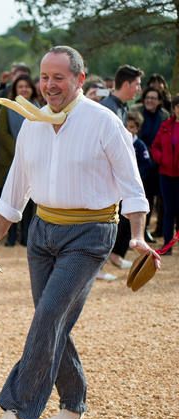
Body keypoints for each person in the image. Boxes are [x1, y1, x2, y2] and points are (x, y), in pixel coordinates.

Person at [0, 45, 158, 419]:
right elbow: (15, 190)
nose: (49, 85)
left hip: (91, 234)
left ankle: (16, 410)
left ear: (79, 77)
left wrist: (138, 236)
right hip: (41, 232)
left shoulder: (105, 122)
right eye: (44, 77)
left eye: (58, 77)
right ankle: (73, 403)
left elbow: (132, 184)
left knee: (49, 315)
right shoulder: (32, 123)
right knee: (53, 320)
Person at [101, 65, 144, 270]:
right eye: (137, 84)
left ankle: (116, 256)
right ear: (126, 84)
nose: (139, 89)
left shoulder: (122, 107)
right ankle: (99, 266)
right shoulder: (108, 108)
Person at [0, 74, 39, 247]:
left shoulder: (39, 108)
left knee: (29, 201)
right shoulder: (7, 107)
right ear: (15, 89)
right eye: (20, 87)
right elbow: (3, 133)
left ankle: (26, 236)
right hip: (10, 159)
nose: (24, 90)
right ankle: (11, 236)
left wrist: (30, 153)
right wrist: (21, 151)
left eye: (27, 87)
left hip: (33, 161)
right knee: (11, 197)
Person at [138, 87, 170, 240]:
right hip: (141, 163)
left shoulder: (164, 116)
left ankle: (154, 229)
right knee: (145, 198)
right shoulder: (137, 113)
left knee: (159, 199)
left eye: (153, 98)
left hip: (159, 164)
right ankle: (142, 230)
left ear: (159, 101)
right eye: (148, 97)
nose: (150, 100)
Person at [150, 95, 179, 254]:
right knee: (169, 210)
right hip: (166, 175)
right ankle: (168, 245)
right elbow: (155, 147)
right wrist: (162, 159)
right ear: (174, 108)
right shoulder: (166, 125)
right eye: (178, 106)